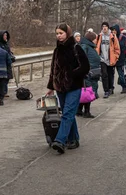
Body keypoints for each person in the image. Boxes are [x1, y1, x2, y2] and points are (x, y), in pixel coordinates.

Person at [46, 23, 90, 154]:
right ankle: (74, 139)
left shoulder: (76, 48)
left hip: (74, 86)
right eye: (57, 33)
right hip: (60, 87)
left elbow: (85, 67)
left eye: (61, 33)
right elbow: (53, 70)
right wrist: (50, 86)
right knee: (68, 114)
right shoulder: (57, 50)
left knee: (67, 114)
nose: (59, 36)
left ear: (67, 33)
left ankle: (60, 140)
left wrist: (71, 74)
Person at [77, 31, 100, 118]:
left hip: (92, 73)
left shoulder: (89, 46)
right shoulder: (85, 47)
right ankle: (86, 112)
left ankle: (79, 110)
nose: (96, 41)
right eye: (94, 39)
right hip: (88, 73)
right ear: (91, 39)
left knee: (86, 92)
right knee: (87, 92)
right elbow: (82, 60)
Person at [95, 22, 121, 98]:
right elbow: (96, 46)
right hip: (102, 59)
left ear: (108, 28)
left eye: (106, 26)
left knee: (110, 75)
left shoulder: (112, 36)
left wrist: (116, 57)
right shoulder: (99, 36)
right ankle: (106, 91)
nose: (104, 28)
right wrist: (98, 56)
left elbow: (117, 48)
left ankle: (110, 88)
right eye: (103, 26)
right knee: (104, 75)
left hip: (111, 59)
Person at [0, 30, 15, 97]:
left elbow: (8, 52)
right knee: (2, 79)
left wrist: (11, 56)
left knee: (7, 78)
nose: (6, 36)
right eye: (4, 35)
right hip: (2, 64)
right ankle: (1, 92)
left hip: (8, 63)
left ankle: (4, 91)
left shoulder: (6, 44)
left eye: (6, 35)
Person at [112, 25, 126, 94]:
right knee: (111, 75)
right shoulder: (110, 37)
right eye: (112, 30)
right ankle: (111, 88)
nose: (114, 32)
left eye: (115, 30)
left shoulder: (123, 38)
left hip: (120, 58)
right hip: (112, 58)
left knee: (121, 74)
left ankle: (124, 86)